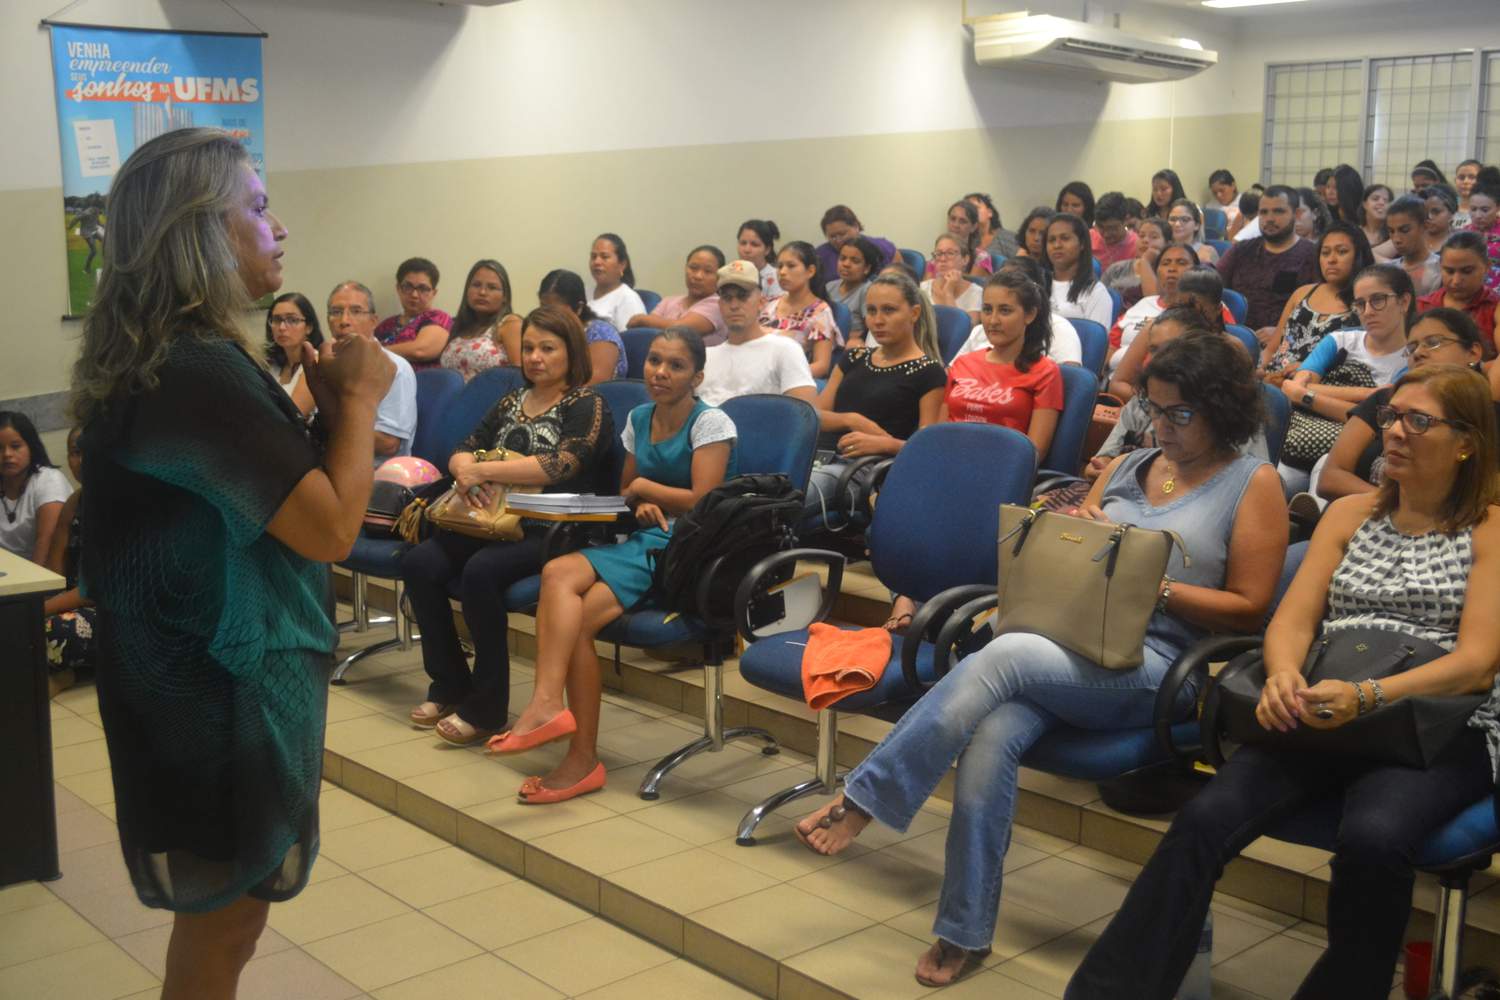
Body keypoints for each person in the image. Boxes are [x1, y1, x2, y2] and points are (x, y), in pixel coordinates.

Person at [797, 330, 1288, 988]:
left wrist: (1152, 583)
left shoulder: (1251, 484)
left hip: (1158, 667)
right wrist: (1076, 536)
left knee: (1009, 652)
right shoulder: (1127, 466)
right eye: (1155, 408)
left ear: (1222, 408)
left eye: (1181, 414)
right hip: (1068, 640)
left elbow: (1252, 607)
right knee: (990, 737)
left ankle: (867, 796)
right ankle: (962, 928)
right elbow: (1082, 550)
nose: (1163, 426)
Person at [72, 127, 394, 998]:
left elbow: (269, 502)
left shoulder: (156, 358)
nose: (278, 226)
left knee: (221, 920)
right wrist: (361, 402)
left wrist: (325, 415)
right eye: (256, 208)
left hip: (176, 668)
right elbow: (328, 532)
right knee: (225, 923)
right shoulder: (202, 367)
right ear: (198, 233)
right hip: (212, 682)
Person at [1069, 365, 1500, 1000]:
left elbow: (1478, 661)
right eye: (1391, 418)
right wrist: (1284, 676)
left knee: (1375, 837)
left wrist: (1369, 696)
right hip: (1325, 700)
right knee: (1204, 819)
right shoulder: (1350, 513)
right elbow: (1293, 620)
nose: (1395, 432)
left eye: (1419, 420)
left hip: (1436, 719)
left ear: (1465, 441)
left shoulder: (1490, 528)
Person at [489, 328, 737, 803]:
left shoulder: (712, 424)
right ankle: (558, 724)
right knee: (558, 578)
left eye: (676, 365)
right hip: (643, 538)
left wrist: (647, 489)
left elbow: (704, 503)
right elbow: (626, 494)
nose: (660, 372)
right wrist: (640, 499)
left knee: (565, 593)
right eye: (655, 361)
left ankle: (572, 744)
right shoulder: (639, 417)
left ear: (697, 376)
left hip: (686, 547)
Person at [403, 306, 614, 744]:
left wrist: (486, 472)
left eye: (548, 348)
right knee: (421, 563)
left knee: (481, 571)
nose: (536, 357)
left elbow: (564, 464)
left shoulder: (587, 404)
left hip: (554, 527)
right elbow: (465, 447)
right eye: (530, 348)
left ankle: (487, 707)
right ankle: (449, 685)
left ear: (571, 352)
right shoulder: (511, 400)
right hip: (490, 519)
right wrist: (466, 471)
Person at [805, 272, 946, 522]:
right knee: (760, 494)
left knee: (789, 499)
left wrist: (885, 444)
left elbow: (928, 449)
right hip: (819, 457)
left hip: (865, 470)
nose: (878, 320)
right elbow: (814, 417)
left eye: (889, 310)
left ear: (913, 314)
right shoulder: (854, 357)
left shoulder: (929, 372)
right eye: (871, 311)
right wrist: (852, 420)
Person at [1319, 308, 1499, 502]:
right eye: (1412, 347)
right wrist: (1396, 506)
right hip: (1364, 514)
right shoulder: (1385, 400)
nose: (1419, 353)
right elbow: (1330, 478)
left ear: (1473, 352)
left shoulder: (1490, 417)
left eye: (1433, 343)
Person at [1280, 265, 1415, 481]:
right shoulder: (1340, 340)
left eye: (1378, 300)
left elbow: (1378, 423)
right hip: (1302, 437)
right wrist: (1368, 396)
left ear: (1404, 302)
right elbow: (1292, 388)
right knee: (1279, 478)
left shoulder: (1413, 359)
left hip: (1359, 454)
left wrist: (1307, 396)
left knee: (1326, 470)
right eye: (1360, 304)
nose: (1368, 311)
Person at [697, 260, 818, 406]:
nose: (734, 305)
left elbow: (805, 417)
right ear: (720, 305)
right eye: (727, 298)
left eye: (743, 296)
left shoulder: (785, 349)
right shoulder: (704, 357)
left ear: (761, 302)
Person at [1260, 222, 1371, 377]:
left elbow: (1363, 364)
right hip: (1271, 379)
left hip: (1314, 385)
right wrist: (1259, 369)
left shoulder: (1367, 304)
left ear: (1359, 256)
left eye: (1342, 252)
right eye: (1325, 253)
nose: (1331, 260)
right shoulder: (1302, 293)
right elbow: (1271, 349)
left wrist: (1311, 368)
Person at [329, 281, 418, 462]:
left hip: (378, 475)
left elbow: (388, 443)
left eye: (356, 311)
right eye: (336, 312)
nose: (344, 321)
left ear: (373, 321)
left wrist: (326, 431)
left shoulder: (394, 367)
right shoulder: (327, 364)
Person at [1215, 185, 1320, 333]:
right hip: (1235, 338)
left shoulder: (1312, 255)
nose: (1269, 219)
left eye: (1278, 211)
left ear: (1296, 214)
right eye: (1263, 212)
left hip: (1288, 343)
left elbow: (1320, 311)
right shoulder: (1241, 251)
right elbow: (1212, 286)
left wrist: (1282, 332)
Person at [957, 255, 1084, 367]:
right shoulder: (980, 331)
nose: (993, 320)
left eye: (1005, 310)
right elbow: (952, 374)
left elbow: (1070, 379)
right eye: (987, 309)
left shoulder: (1058, 327)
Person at [43, 427, 94, 698]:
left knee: (58, 629)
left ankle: (76, 672)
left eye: (88, 451)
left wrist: (41, 611)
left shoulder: (123, 504)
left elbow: (94, 588)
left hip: (109, 610)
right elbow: (53, 573)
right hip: (66, 602)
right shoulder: (75, 502)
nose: (82, 460)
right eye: (75, 452)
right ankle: (63, 672)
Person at [0, 411, 72, 564]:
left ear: (31, 447)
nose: (7, 454)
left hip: (41, 577)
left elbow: (46, 545)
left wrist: (29, 586)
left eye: (15, 446)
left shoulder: (49, 480)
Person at [762, 241, 841, 378]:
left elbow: (821, 366)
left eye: (791, 266)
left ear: (810, 271)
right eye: (779, 266)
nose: (782, 272)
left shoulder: (820, 311)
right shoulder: (768, 304)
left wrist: (782, 376)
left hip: (788, 381)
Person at [1417, 231, 1500, 355]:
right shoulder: (1422, 306)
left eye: (1467, 271)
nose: (1456, 281)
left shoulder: (1495, 308)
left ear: (1487, 267)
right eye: (1449, 271)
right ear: (1440, 266)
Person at [628, 244, 729, 346]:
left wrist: (642, 319)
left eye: (708, 271)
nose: (698, 276)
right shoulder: (668, 301)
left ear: (719, 277)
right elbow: (647, 332)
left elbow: (681, 330)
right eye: (693, 268)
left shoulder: (718, 304)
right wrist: (646, 321)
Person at [537, 269, 627, 382]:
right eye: (543, 308)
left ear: (579, 308)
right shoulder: (546, 332)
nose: (548, 316)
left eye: (555, 311)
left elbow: (593, 385)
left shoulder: (601, 334)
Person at [441, 259, 521, 381]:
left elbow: (519, 376)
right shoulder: (460, 325)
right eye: (476, 285)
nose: (482, 292)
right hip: (452, 398)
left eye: (492, 287)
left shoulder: (510, 324)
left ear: (505, 296)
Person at [373, 257, 451, 369]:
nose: (414, 295)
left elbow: (421, 350)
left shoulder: (438, 318)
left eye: (423, 289)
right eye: (408, 287)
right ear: (398, 289)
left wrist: (376, 352)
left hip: (419, 383)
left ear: (434, 293)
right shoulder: (385, 325)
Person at [1046, 213, 1113, 328]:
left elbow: (1096, 343)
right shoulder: (1038, 285)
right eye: (1051, 240)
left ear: (1082, 244)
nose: (1056, 245)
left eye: (1065, 238)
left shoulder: (1096, 293)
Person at [264, 292, 323, 418]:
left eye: (292, 320)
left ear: (309, 327)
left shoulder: (315, 362)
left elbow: (294, 415)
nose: (282, 327)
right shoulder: (272, 365)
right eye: (276, 319)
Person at [1373, 194, 1441, 294]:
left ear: (1425, 226)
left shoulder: (1441, 268)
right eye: (1391, 231)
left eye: (1404, 230)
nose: (1396, 239)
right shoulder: (1388, 271)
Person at [814, 205, 896, 285]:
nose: (838, 240)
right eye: (832, 237)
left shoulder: (883, 247)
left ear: (856, 226)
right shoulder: (820, 255)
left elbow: (901, 280)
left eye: (842, 234)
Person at [1102, 217, 1171, 308]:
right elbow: (1099, 298)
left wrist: (1145, 261)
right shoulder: (1117, 268)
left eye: (1154, 237)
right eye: (1141, 236)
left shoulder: (1169, 273)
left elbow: (1155, 304)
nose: (1145, 240)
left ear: (1167, 243)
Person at [826, 235, 880, 346]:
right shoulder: (829, 286)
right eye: (842, 258)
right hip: (826, 341)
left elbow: (871, 329)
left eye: (855, 261)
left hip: (851, 345)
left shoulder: (868, 290)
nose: (846, 264)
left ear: (867, 268)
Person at [587, 233, 647, 332]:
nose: (597, 262)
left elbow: (630, 343)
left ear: (622, 264)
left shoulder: (628, 298)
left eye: (604, 257)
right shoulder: (584, 292)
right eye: (593, 256)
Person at [921, 232, 984, 325]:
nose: (942, 259)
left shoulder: (976, 292)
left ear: (965, 259)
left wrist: (948, 293)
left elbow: (964, 330)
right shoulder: (923, 288)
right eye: (938, 253)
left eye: (950, 253)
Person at [1465, 173, 1500, 291]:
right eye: (1473, 209)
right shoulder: (1461, 234)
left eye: (1485, 210)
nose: (1478, 215)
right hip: (1468, 292)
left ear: (1498, 208)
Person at [1091, 192, 1138, 270]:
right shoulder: (1088, 239)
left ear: (1126, 220)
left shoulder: (1137, 245)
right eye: (1101, 227)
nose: (1106, 234)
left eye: (1112, 228)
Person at [736, 218, 783, 298]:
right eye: (743, 243)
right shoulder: (732, 273)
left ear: (767, 249)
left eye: (754, 244)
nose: (747, 250)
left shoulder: (777, 277)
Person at [966, 191, 1020, 259]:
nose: (972, 212)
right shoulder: (967, 242)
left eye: (976, 207)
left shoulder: (1006, 237)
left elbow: (1021, 265)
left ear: (989, 212)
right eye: (968, 210)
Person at [1166, 199, 1218, 264]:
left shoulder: (1207, 252)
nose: (1177, 224)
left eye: (1185, 220)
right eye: (1173, 219)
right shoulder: (1161, 250)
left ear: (1197, 225)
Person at [1424, 184, 1460, 254]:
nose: (1429, 217)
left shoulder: (1461, 241)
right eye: (1424, 211)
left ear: (1452, 213)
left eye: (1436, 212)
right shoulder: (1413, 239)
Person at [1360, 183, 1393, 249]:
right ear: (1364, 204)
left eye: (1386, 200)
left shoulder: (1394, 234)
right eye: (1375, 199)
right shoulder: (1354, 233)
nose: (1381, 203)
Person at [1454, 158, 1483, 228]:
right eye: (1461, 177)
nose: (1465, 181)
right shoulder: (1447, 210)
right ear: (1455, 180)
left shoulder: (1492, 213)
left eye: (1472, 177)